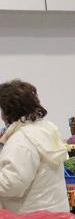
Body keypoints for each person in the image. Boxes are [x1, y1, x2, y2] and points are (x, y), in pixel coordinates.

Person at [0, 79, 70, 212]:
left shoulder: (21, 141)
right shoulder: (45, 128)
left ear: (8, 111)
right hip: (55, 213)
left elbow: (12, 184)